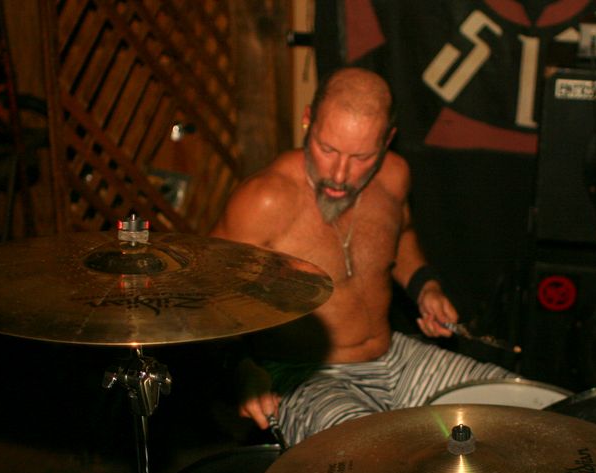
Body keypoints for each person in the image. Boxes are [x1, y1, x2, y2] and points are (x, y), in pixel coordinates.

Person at [211, 67, 513, 446]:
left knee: (522, 409)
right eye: (327, 149)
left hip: (395, 358)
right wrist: (240, 369)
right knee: (373, 457)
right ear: (307, 121)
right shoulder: (263, 200)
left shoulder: (395, 177)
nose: (339, 175)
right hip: (304, 374)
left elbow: (401, 236)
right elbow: (205, 298)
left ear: (388, 140)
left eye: (362, 157)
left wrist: (425, 287)